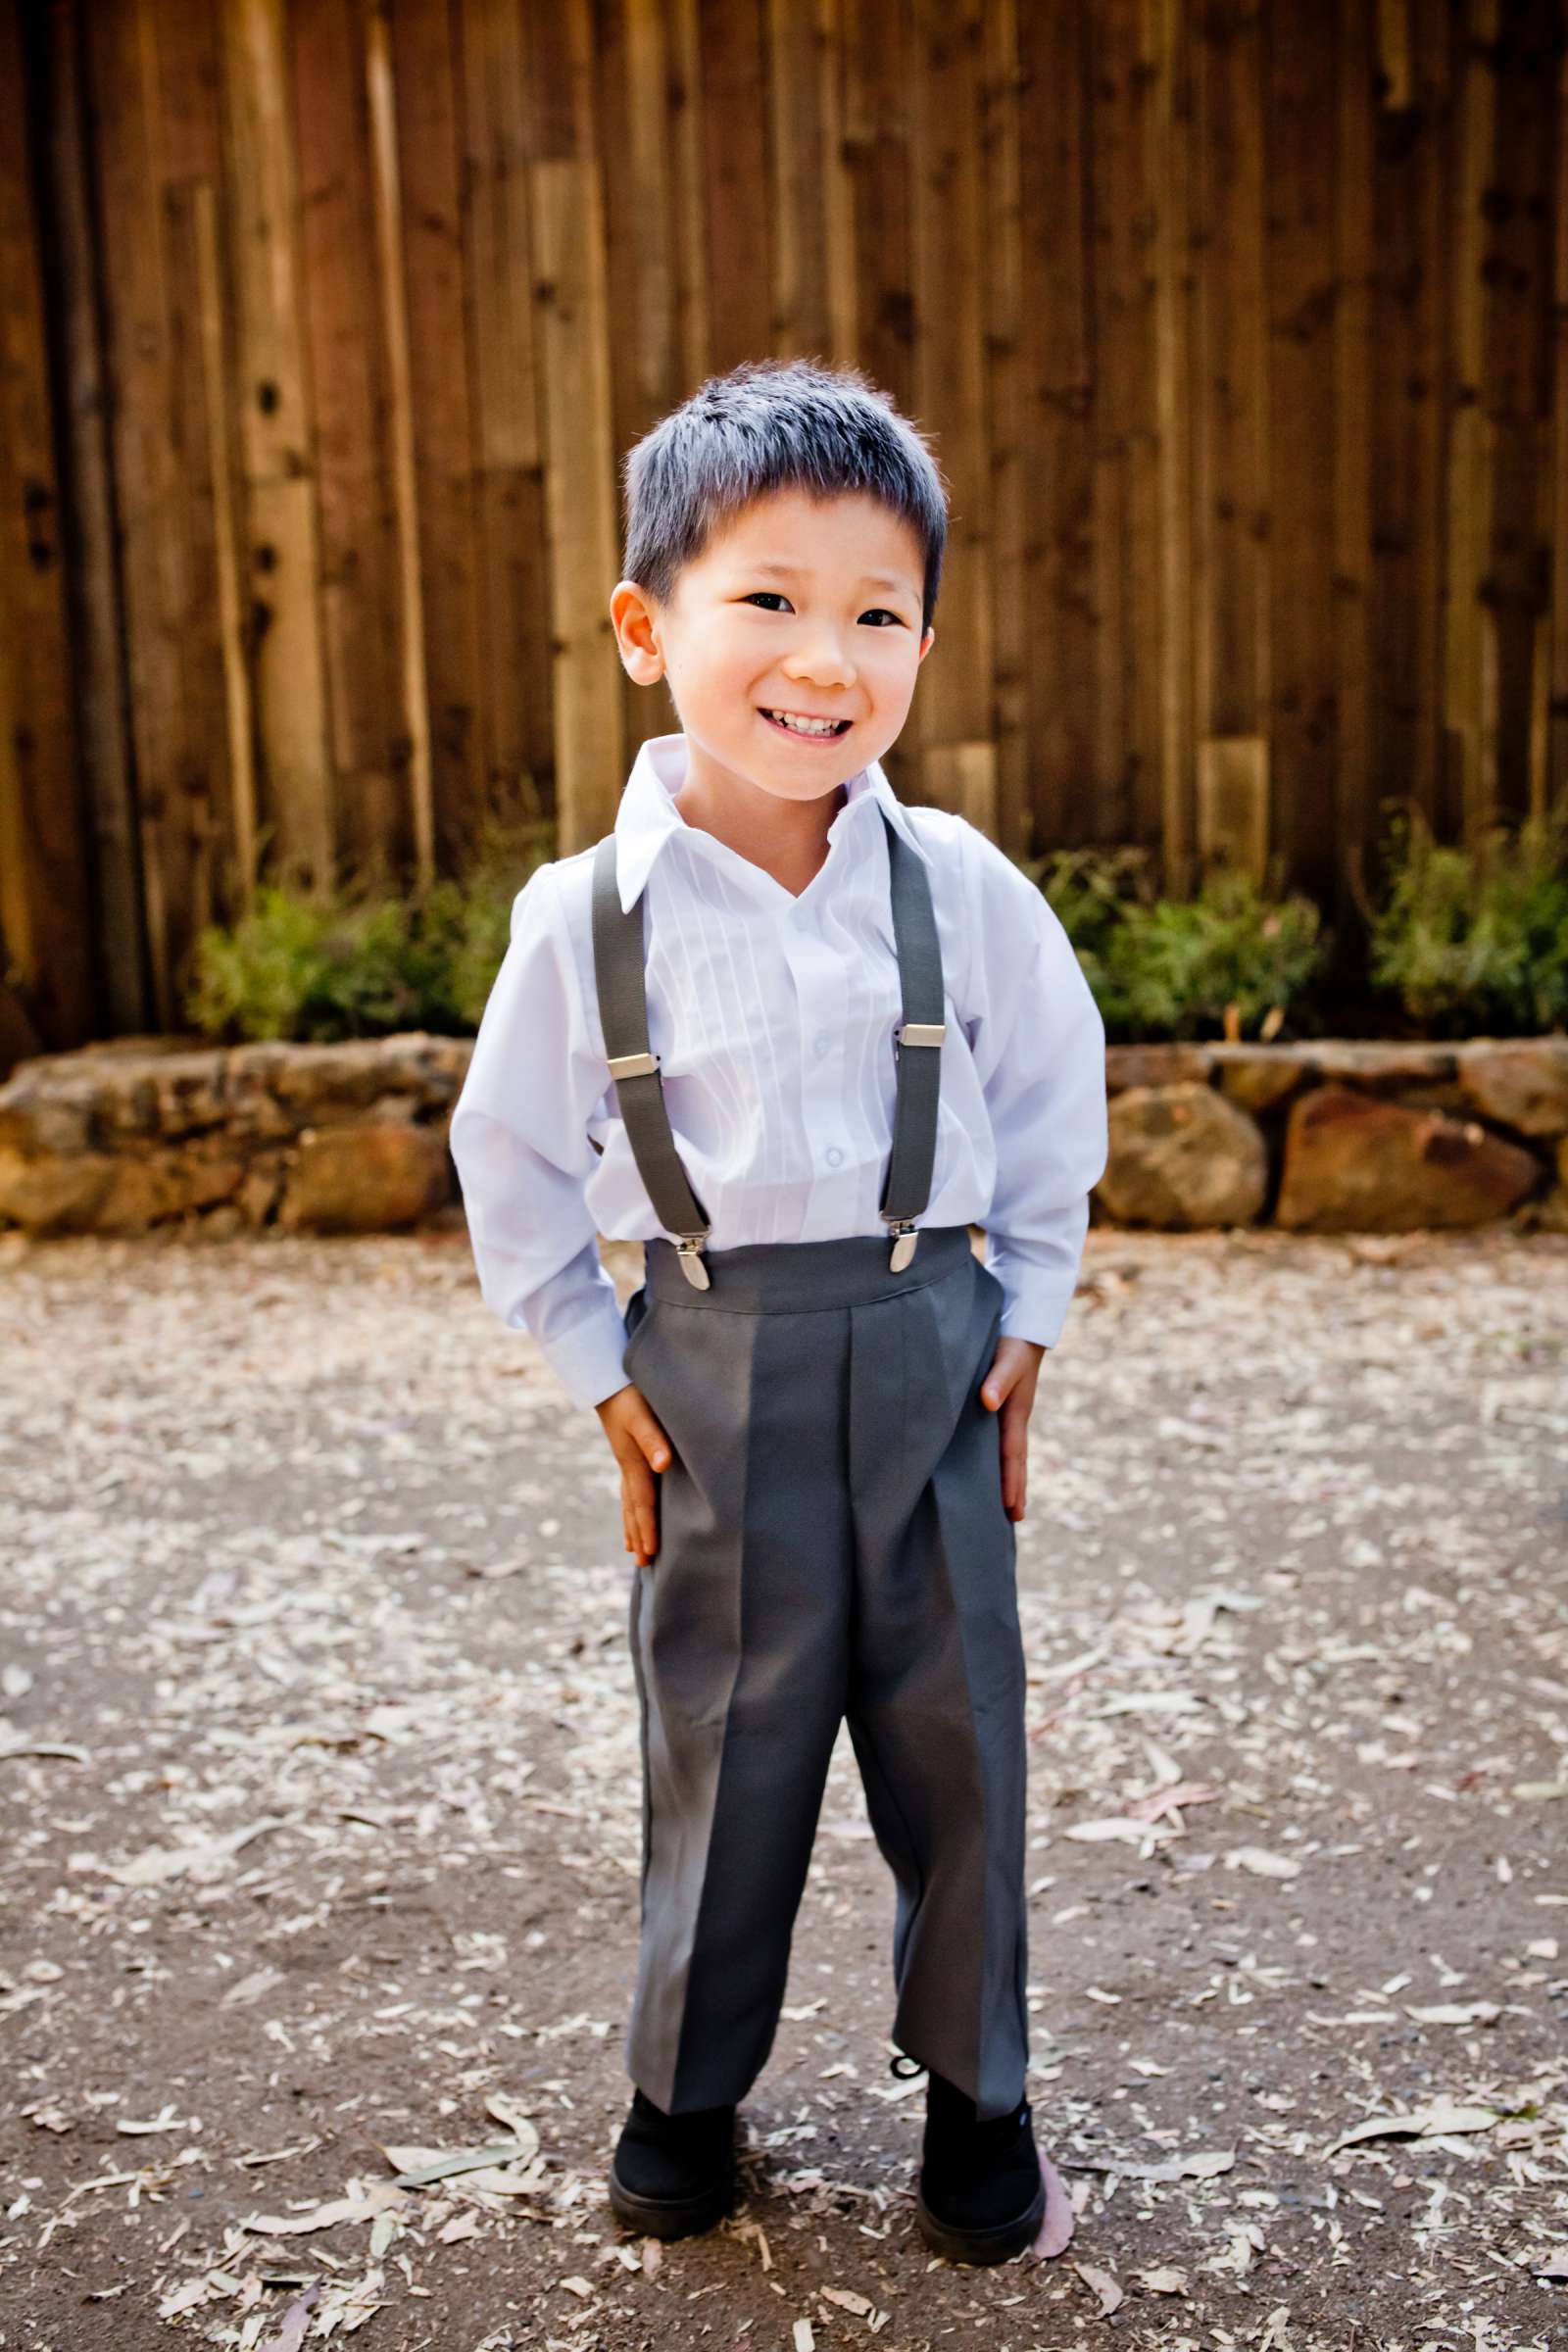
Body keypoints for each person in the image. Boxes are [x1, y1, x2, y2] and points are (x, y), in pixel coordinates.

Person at [448, 357, 1106, 2265]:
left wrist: (1027, 1314)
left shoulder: (954, 887)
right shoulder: (581, 920)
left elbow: (1050, 1103)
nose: (825, 656)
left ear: (921, 643)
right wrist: (597, 1370)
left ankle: (979, 2093)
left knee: (951, 1730)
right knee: (720, 1737)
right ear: (648, 630)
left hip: (925, 1335)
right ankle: (685, 2083)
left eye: (876, 612)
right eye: (770, 600)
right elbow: (510, 1165)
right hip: (711, 1358)